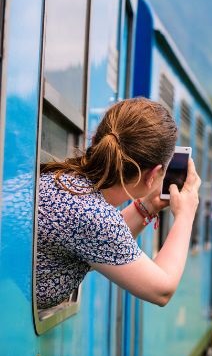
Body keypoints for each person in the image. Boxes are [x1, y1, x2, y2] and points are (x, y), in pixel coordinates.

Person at [36, 97, 201, 309]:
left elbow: (99, 244)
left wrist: (147, 207)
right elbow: (162, 290)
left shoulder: (66, 182)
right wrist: (186, 215)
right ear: (153, 175)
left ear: (96, 139)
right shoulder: (94, 215)